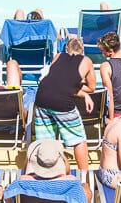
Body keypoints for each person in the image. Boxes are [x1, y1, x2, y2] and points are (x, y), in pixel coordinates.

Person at [33, 37, 96, 173]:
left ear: (67, 49)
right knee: (78, 139)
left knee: (46, 141)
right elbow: (91, 88)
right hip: (61, 102)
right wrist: (83, 92)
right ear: (83, 51)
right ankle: (84, 176)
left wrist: (74, 88)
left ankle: (46, 173)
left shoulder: (58, 56)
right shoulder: (87, 61)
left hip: (41, 97)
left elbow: (57, 81)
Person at [20, 139, 93, 202]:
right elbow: (67, 171)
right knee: (85, 189)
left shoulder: (24, 181)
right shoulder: (70, 182)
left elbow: (26, 170)